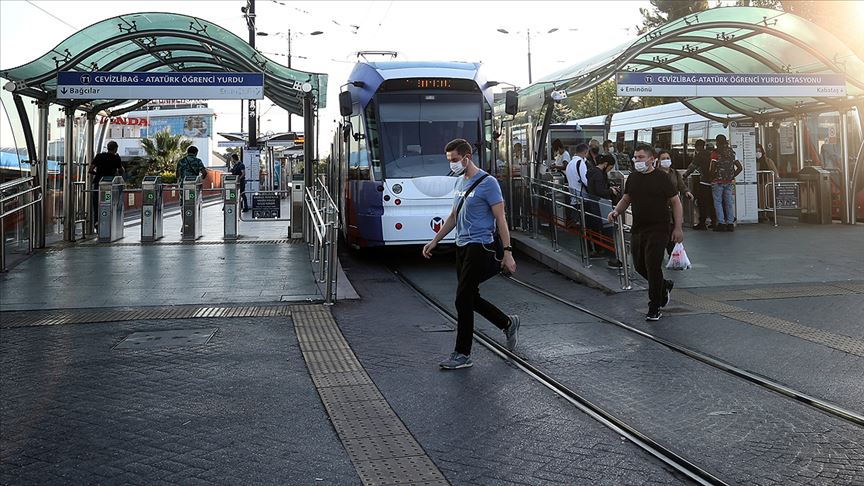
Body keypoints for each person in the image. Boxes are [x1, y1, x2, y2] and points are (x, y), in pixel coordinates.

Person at [423, 138, 519, 370]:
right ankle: (507, 323)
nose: (452, 164)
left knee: (462, 298)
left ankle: (462, 353)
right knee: (470, 296)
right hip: (462, 246)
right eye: (450, 161)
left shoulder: (488, 183)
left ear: (467, 157)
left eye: (455, 160)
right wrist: (434, 240)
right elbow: (454, 216)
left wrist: (508, 252)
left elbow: (501, 219)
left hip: (480, 245)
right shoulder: (459, 183)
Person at [608, 144, 683, 321]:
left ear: (651, 159)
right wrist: (616, 211)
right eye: (635, 157)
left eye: (641, 157)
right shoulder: (633, 178)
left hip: (659, 228)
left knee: (653, 265)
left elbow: (676, 202)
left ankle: (654, 306)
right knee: (639, 265)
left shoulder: (662, 178)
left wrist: (678, 227)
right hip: (639, 228)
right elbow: (626, 198)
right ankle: (663, 285)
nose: (637, 160)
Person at [585, 153, 620, 267]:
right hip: (602, 205)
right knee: (608, 231)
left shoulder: (591, 172)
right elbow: (600, 191)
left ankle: (602, 252)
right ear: (605, 164)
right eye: (610, 167)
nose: (610, 169)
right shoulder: (599, 174)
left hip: (594, 204)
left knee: (598, 229)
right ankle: (612, 259)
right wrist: (611, 191)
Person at [657, 150, 693, 255]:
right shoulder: (655, 174)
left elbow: (681, 186)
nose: (666, 161)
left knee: (672, 229)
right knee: (662, 231)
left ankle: (672, 254)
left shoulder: (675, 173)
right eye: (663, 159)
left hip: (673, 207)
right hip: (660, 207)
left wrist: (687, 192)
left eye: (667, 158)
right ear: (658, 161)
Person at [709, 135, 743, 232]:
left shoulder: (715, 153)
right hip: (729, 181)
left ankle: (721, 223)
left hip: (717, 181)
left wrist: (711, 178)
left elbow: (712, 168)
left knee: (718, 202)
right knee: (729, 202)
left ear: (717, 142)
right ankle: (730, 223)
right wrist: (732, 176)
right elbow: (740, 167)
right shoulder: (732, 152)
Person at [88, 140, 124, 227]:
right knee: (109, 203)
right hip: (110, 185)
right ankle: (108, 223)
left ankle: (97, 221)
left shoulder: (99, 156)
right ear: (115, 149)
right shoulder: (116, 158)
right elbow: (121, 171)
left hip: (98, 183)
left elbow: (90, 170)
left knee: (97, 204)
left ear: (107, 148)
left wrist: (99, 174)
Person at [683, 140, 715, 230]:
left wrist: (685, 175)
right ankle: (714, 221)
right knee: (712, 202)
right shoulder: (710, 153)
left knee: (702, 203)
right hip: (714, 182)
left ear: (697, 147)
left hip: (704, 182)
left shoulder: (700, 155)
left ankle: (702, 223)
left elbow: (692, 167)